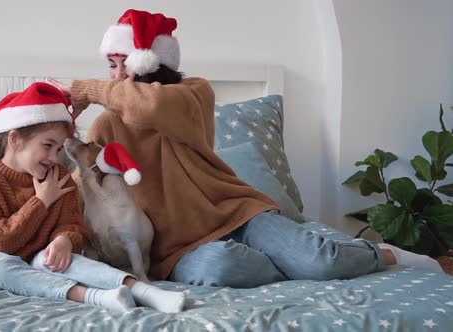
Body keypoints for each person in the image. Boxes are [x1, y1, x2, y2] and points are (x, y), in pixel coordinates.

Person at [48, 9, 444, 289]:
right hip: (179, 249)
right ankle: (298, 261)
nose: (115, 75)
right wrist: (61, 129)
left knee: (320, 261)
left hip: (237, 212)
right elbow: (86, 185)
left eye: (124, 63)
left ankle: (384, 254)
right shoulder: (104, 126)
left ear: (151, 63)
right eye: (110, 66)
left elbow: (149, 105)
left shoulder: (192, 94)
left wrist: (86, 89)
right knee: (223, 268)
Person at [0, 82, 186, 312]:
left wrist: (64, 240)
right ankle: (95, 297)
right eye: (47, 145)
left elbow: (73, 226)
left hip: (42, 261)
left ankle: (147, 292)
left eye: (58, 149)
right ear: (15, 139)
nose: (54, 158)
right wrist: (41, 201)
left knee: (65, 260)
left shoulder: (59, 175)